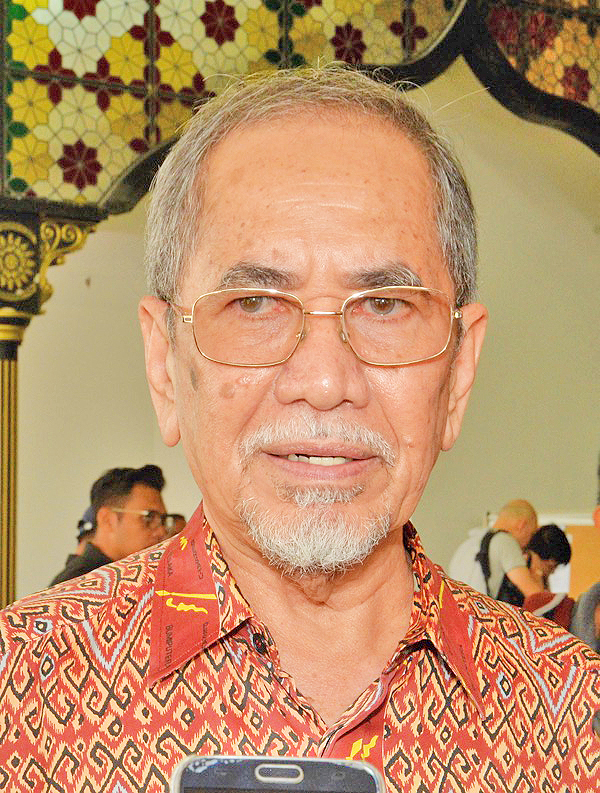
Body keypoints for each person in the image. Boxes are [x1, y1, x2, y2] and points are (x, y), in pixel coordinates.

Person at [0, 67, 598, 792]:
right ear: (164, 362)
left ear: (459, 371)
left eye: (385, 305)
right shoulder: (20, 696)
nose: (323, 381)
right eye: (254, 303)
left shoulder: (573, 716)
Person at [49, 465, 168, 585]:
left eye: (162, 520)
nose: (162, 532)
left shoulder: (122, 576)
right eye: (149, 517)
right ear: (107, 519)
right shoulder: (78, 585)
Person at [448, 498, 545, 604]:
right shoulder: (505, 541)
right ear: (522, 525)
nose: (528, 543)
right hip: (479, 612)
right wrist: (537, 570)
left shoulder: (467, 544)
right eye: (531, 534)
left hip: (456, 611)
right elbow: (535, 596)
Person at [525, 523, 572, 587]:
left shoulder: (543, 579)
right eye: (551, 567)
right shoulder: (519, 574)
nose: (552, 572)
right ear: (536, 557)